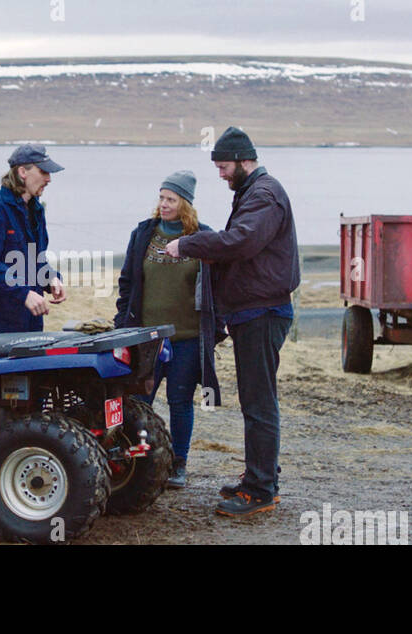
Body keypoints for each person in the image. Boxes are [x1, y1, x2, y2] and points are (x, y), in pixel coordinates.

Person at [165, 126, 300, 517]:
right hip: (252, 312)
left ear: (244, 160)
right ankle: (260, 476)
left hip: (262, 313)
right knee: (256, 400)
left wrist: (188, 245)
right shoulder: (254, 193)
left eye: (224, 166)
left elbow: (241, 241)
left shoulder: (264, 194)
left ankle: (260, 491)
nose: (221, 174)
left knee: (259, 403)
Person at [115, 170, 224, 490]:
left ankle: (178, 464)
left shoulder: (202, 237)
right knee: (138, 401)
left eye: (170, 199)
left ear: (185, 203)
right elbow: (127, 283)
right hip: (147, 339)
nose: (163, 204)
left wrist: (216, 330)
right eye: (161, 197)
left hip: (187, 339)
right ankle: (136, 460)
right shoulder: (144, 233)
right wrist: (123, 325)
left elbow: (216, 289)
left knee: (180, 401)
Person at [0, 144, 67, 334]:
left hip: (30, 317)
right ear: (23, 171)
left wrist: (51, 279)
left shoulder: (36, 210)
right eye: (43, 171)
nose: (49, 179)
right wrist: (23, 293)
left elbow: (34, 260)